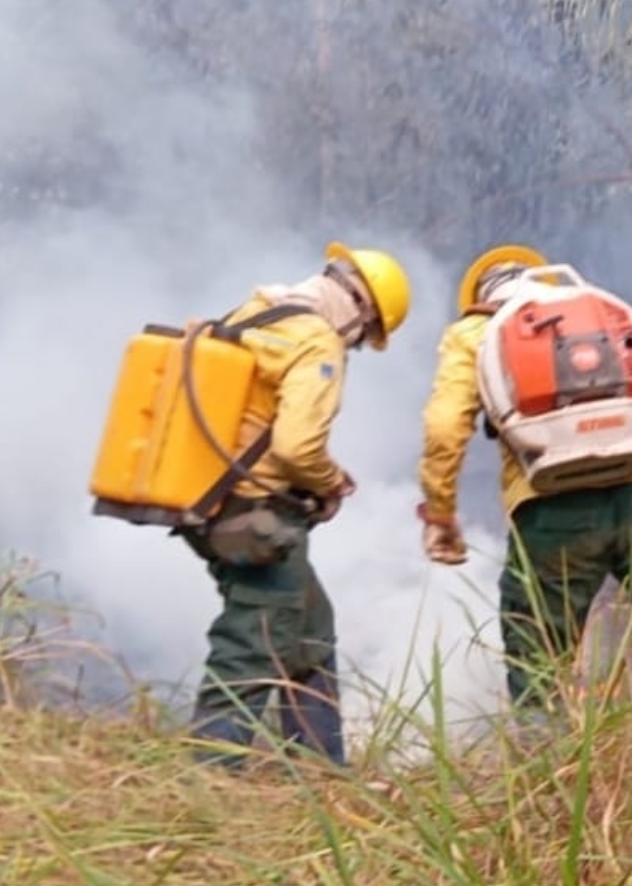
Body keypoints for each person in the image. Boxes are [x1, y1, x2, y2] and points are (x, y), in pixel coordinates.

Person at [416, 244, 632, 715]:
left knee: (537, 661)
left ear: (479, 295)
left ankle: (551, 776)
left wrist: (441, 515)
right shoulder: (603, 308)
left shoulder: (473, 332)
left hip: (550, 513)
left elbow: (445, 428)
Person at [183, 242, 412, 769]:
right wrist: (330, 482)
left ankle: (319, 769)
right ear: (363, 311)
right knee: (256, 634)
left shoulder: (255, 313)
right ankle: (210, 773)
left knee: (309, 625)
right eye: (363, 338)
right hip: (256, 511)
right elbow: (295, 447)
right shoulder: (316, 341)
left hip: (209, 499)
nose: (354, 346)